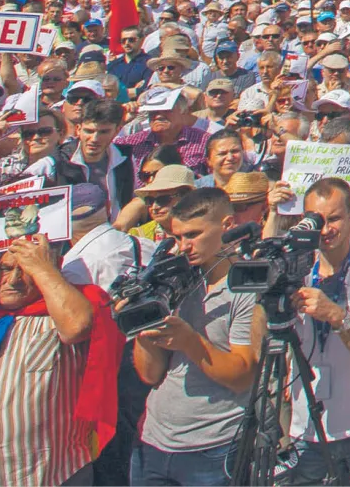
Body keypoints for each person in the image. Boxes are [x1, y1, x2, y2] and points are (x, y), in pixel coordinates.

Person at [0, 204, 119, 486]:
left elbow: (77, 326)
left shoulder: (68, 311)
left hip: (49, 476)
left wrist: (43, 268)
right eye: (5, 269)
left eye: (26, 270)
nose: (14, 280)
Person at [131, 187, 261, 486]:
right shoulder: (176, 280)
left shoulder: (246, 285)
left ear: (227, 225)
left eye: (193, 235)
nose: (184, 247)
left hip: (213, 448)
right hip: (155, 440)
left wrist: (189, 341)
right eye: (177, 238)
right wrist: (143, 320)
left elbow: (243, 375)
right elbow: (150, 374)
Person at [282, 177, 350, 486]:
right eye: (317, 220)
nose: (325, 230)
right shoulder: (295, 269)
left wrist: (337, 316)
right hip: (306, 430)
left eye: (334, 218)